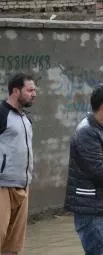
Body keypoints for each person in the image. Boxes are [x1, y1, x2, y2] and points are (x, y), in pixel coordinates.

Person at [64, 85, 103, 255]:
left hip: (99, 205)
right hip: (91, 207)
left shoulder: (98, 129)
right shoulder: (87, 132)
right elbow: (97, 170)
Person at [0, 73, 36, 255]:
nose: (34, 94)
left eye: (34, 90)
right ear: (15, 91)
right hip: (2, 186)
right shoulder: (1, 113)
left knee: (14, 246)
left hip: (23, 185)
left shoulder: (26, 119)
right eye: (30, 90)